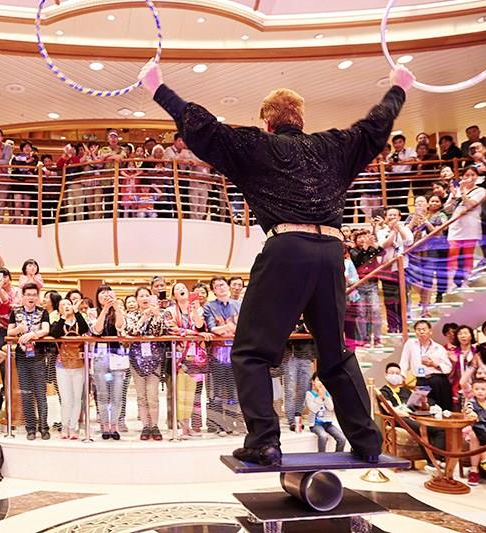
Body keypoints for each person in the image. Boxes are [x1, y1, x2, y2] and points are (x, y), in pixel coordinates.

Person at [139, 59, 415, 464]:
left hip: (287, 249)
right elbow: (375, 127)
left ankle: (265, 441)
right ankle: (368, 442)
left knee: (250, 352)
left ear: (267, 123)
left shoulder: (258, 145)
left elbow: (203, 127)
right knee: (336, 353)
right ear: (300, 119)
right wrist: (398, 88)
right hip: (331, 252)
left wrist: (158, 88)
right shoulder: (332, 146)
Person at [163, 282, 210, 437]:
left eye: (183, 287)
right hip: (177, 356)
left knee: (191, 393)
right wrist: (195, 334)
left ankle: (187, 425)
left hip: (195, 356)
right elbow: (172, 329)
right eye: (178, 289)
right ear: (173, 295)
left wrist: (195, 310)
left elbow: (201, 326)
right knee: (179, 393)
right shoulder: (169, 311)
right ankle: (181, 426)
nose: (181, 290)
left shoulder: (197, 308)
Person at [7, 283, 51, 440]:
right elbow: (9, 331)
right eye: (28, 294)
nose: (31, 297)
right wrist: (19, 330)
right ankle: (30, 428)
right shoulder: (15, 312)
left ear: (37, 297)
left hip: (38, 355)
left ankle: (44, 427)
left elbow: (46, 330)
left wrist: (33, 334)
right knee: (26, 393)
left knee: (40, 393)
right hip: (21, 356)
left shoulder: (43, 312)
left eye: (34, 294)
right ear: (23, 296)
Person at [124, 288, 165, 441]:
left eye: (147, 295)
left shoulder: (157, 314)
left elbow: (160, 332)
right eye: (141, 296)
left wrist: (156, 315)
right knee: (141, 396)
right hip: (136, 359)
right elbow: (131, 331)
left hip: (154, 358)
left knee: (153, 395)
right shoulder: (131, 316)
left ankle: (155, 426)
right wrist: (143, 317)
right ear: (137, 299)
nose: (144, 298)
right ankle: (145, 426)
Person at [203, 276, 242, 436]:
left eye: (223, 284)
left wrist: (225, 328)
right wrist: (230, 327)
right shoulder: (209, 307)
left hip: (236, 353)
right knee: (216, 392)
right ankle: (218, 425)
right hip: (217, 355)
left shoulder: (238, 305)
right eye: (217, 286)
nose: (221, 287)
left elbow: (243, 327)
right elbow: (213, 329)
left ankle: (232, 423)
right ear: (213, 291)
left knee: (234, 391)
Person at [378, 362, 445, 455]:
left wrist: (423, 401)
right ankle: (431, 459)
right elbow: (389, 409)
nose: (395, 376)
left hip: (413, 416)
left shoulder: (405, 390)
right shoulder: (383, 392)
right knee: (421, 429)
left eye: (397, 373)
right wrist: (406, 414)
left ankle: (439, 458)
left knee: (440, 429)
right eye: (392, 373)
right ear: (386, 375)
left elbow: (418, 406)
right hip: (398, 418)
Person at [49, 298, 90, 439]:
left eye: (69, 304)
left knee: (77, 398)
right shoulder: (58, 323)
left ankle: (73, 427)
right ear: (59, 309)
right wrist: (63, 317)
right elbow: (54, 334)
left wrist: (76, 312)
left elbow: (85, 328)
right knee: (66, 399)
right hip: (62, 365)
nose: (66, 306)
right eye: (63, 305)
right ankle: (65, 426)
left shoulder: (79, 322)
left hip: (79, 363)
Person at [91, 285, 127, 440]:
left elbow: (120, 327)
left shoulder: (118, 310)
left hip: (117, 356)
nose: (105, 295)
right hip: (100, 357)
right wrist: (104, 310)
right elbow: (96, 330)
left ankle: (114, 425)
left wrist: (116, 307)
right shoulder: (93, 312)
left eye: (108, 292)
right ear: (97, 296)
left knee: (117, 394)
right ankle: (105, 425)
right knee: (102, 393)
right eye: (101, 293)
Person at [445, 165, 486, 289]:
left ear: (477, 176)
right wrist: (453, 196)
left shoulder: (480, 190)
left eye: (473, 175)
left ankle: (466, 282)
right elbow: (447, 209)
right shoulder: (456, 190)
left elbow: (471, 204)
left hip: (471, 224)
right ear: (463, 176)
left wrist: (462, 191)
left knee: (468, 254)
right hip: (456, 224)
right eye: (467, 175)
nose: (470, 177)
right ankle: (450, 282)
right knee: (452, 253)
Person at [398, 320, 453, 410]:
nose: (421, 332)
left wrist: (434, 364)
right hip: (421, 380)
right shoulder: (410, 344)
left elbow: (448, 368)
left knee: (443, 408)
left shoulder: (439, 348)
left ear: (430, 331)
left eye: (424, 329)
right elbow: (404, 362)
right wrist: (401, 377)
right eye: (418, 329)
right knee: (422, 408)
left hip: (438, 380)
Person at [283, 320, 316, 432]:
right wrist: (302, 328)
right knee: (290, 390)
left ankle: (298, 417)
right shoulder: (290, 316)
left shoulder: (312, 317)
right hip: (291, 356)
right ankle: (291, 420)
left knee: (305, 389)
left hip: (307, 357)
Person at [305, 374, 346, 453]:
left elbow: (331, 408)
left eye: (322, 380)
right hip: (315, 424)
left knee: (342, 438)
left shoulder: (327, 394)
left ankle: (337, 456)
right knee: (323, 436)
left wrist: (324, 396)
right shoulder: (309, 394)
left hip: (328, 424)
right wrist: (320, 397)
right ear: (313, 382)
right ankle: (322, 457)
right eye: (318, 380)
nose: (321, 383)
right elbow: (314, 409)